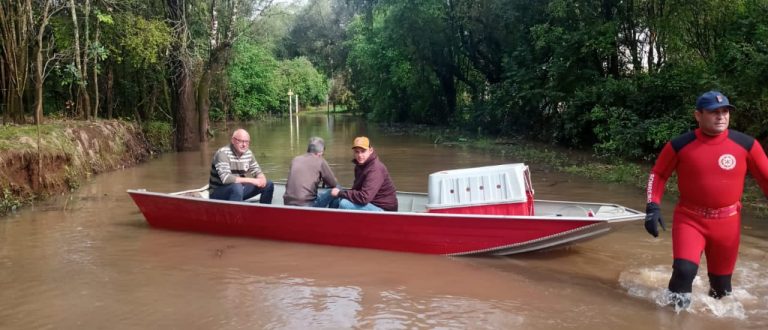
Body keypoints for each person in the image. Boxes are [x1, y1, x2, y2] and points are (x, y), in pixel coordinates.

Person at [644, 91, 768, 310]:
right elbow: (658, 174)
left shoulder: (746, 145)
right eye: (713, 112)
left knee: (722, 289)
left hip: (727, 224)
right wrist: (653, 206)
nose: (721, 116)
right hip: (690, 220)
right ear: (698, 115)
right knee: (684, 271)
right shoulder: (680, 145)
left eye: (725, 111)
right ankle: (671, 320)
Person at [331, 136, 398, 211]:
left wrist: (340, 193)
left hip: (385, 210)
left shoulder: (375, 169)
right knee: (337, 198)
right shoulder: (360, 166)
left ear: (370, 150)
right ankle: (330, 220)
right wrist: (341, 194)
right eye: (357, 152)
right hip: (371, 203)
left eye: (363, 151)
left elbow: (364, 198)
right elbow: (356, 190)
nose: (360, 155)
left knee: (344, 203)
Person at [209, 128, 274, 203]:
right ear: (233, 140)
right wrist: (252, 181)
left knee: (268, 184)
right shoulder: (222, 153)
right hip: (217, 192)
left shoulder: (248, 153)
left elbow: (257, 172)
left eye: (247, 142)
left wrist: (261, 179)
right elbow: (226, 179)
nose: (244, 145)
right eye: (240, 141)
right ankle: (234, 214)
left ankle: (263, 212)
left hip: (238, 190)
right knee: (237, 187)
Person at [283, 137, 339, 207]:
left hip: (287, 203)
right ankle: (331, 215)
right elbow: (333, 184)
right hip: (307, 205)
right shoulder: (320, 161)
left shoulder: (295, 159)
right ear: (320, 153)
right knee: (337, 189)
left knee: (318, 195)